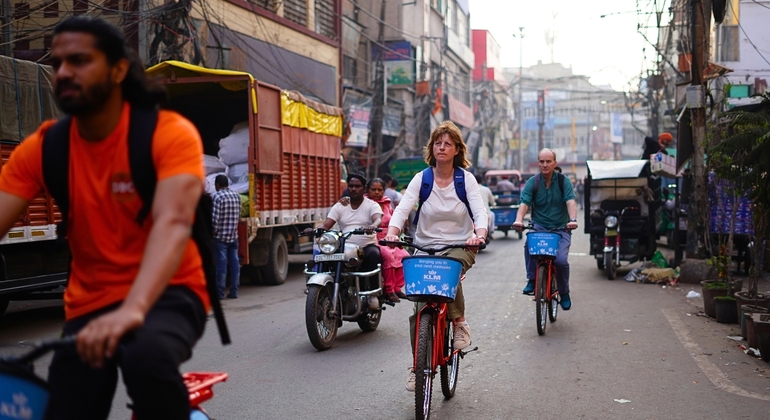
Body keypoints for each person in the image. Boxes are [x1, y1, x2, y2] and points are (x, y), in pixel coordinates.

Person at [0, 17, 209, 419]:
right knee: (66, 405)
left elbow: (172, 223)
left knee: (146, 362)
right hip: (89, 305)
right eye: (58, 62)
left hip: (169, 293)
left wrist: (134, 308)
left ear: (117, 69)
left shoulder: (167, 133)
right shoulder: (46, 147)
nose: (63, 73)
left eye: (79, 60)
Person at [384, 121, 487, 392]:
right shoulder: (422, 178)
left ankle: (460, 324)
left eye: (448, 144)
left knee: (449, 267)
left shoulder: (466, 179)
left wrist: (480, 233)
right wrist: (393, 232)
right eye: (438, 143)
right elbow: (404, 207)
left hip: (461, 244)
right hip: (425, 246)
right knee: (418, 311)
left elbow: (479, 211)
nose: (442, 147)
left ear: (456, 150)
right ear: (432, 148)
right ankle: (417, 367)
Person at [512, 148, 578, 311]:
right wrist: (519, 220)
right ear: (538, 163)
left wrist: (573, 220)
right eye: (541, 161)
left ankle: (564, 292)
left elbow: (571, 202)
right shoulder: (532, 182)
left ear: (555, 163)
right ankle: (532, 279)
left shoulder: (564, 182)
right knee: (529, 244)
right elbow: (524, 204)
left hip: (561, 228)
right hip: (539, 227)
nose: (545, 164)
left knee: (561, 261)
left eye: (548, 161)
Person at [308, 173, 383, 309]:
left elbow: (377, 218)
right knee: (326, 257)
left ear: (364, 188)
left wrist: (373, 225)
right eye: (351, 186)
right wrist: (316, 230)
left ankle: (373, 295)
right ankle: (325, 292)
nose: (354, 189)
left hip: (366, 245)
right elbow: (326, 225)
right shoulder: (340, 205)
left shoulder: (372, 205)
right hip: (344, 246)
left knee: (374, 255)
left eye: (357, 186)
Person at [366, 178, 409, 302]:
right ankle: (389, 290)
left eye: (380, 190)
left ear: (384, 191)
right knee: (389, 256)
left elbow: (395, 220)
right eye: (373, 189)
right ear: (367, 190)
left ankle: (397, 287)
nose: (376, 192)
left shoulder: (387, 204)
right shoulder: (365, 203)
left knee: (405, 256)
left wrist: (398, 232)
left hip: (390, 237)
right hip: (374, 238)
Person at [212, 174, 241, 299]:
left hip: (220, 238)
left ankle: (219, 293)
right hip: (233, 236)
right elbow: (238, 215)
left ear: (217, 185)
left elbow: (214, 220)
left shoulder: (216, 197)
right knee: (235, 264)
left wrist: (212, 234)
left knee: (221, 266)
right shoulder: (236, 196)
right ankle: (234, 292)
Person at [475, 174, 496, 239]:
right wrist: (493, 205)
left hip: (473, 214)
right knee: (492, 214)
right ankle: (491, 232)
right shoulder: (486, 189)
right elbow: (492, 201)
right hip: (485, 213)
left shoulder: (470, 189)